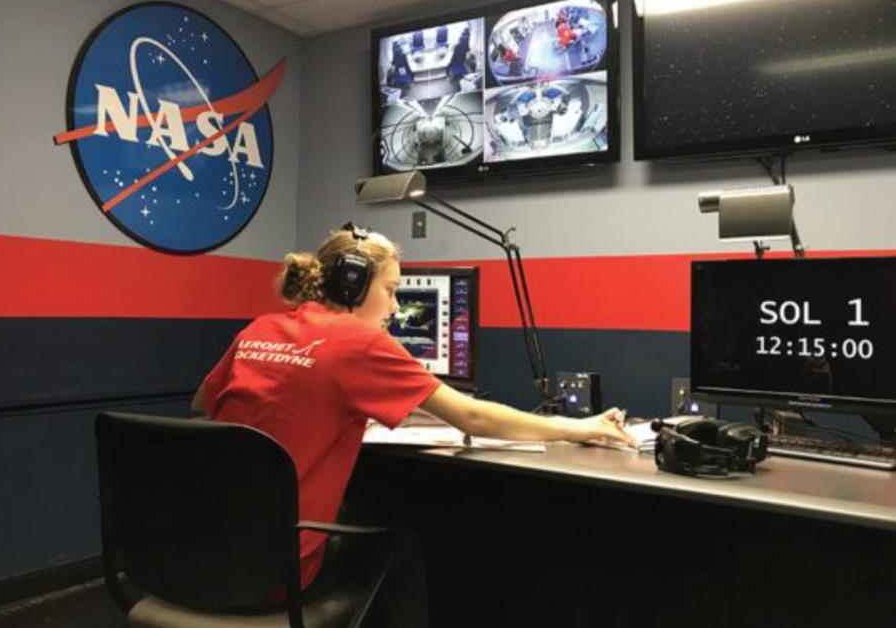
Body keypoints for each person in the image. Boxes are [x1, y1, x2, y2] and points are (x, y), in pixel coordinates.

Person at [191, 224, 636, 625]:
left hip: (196, 558)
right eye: (390, 290)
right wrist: (581, 427)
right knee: (400, 546)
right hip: (276, 576)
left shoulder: (260, 328)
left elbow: (203, 403)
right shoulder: (360, 342)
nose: (395, 305)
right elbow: (471, 416)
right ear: (353, 285)